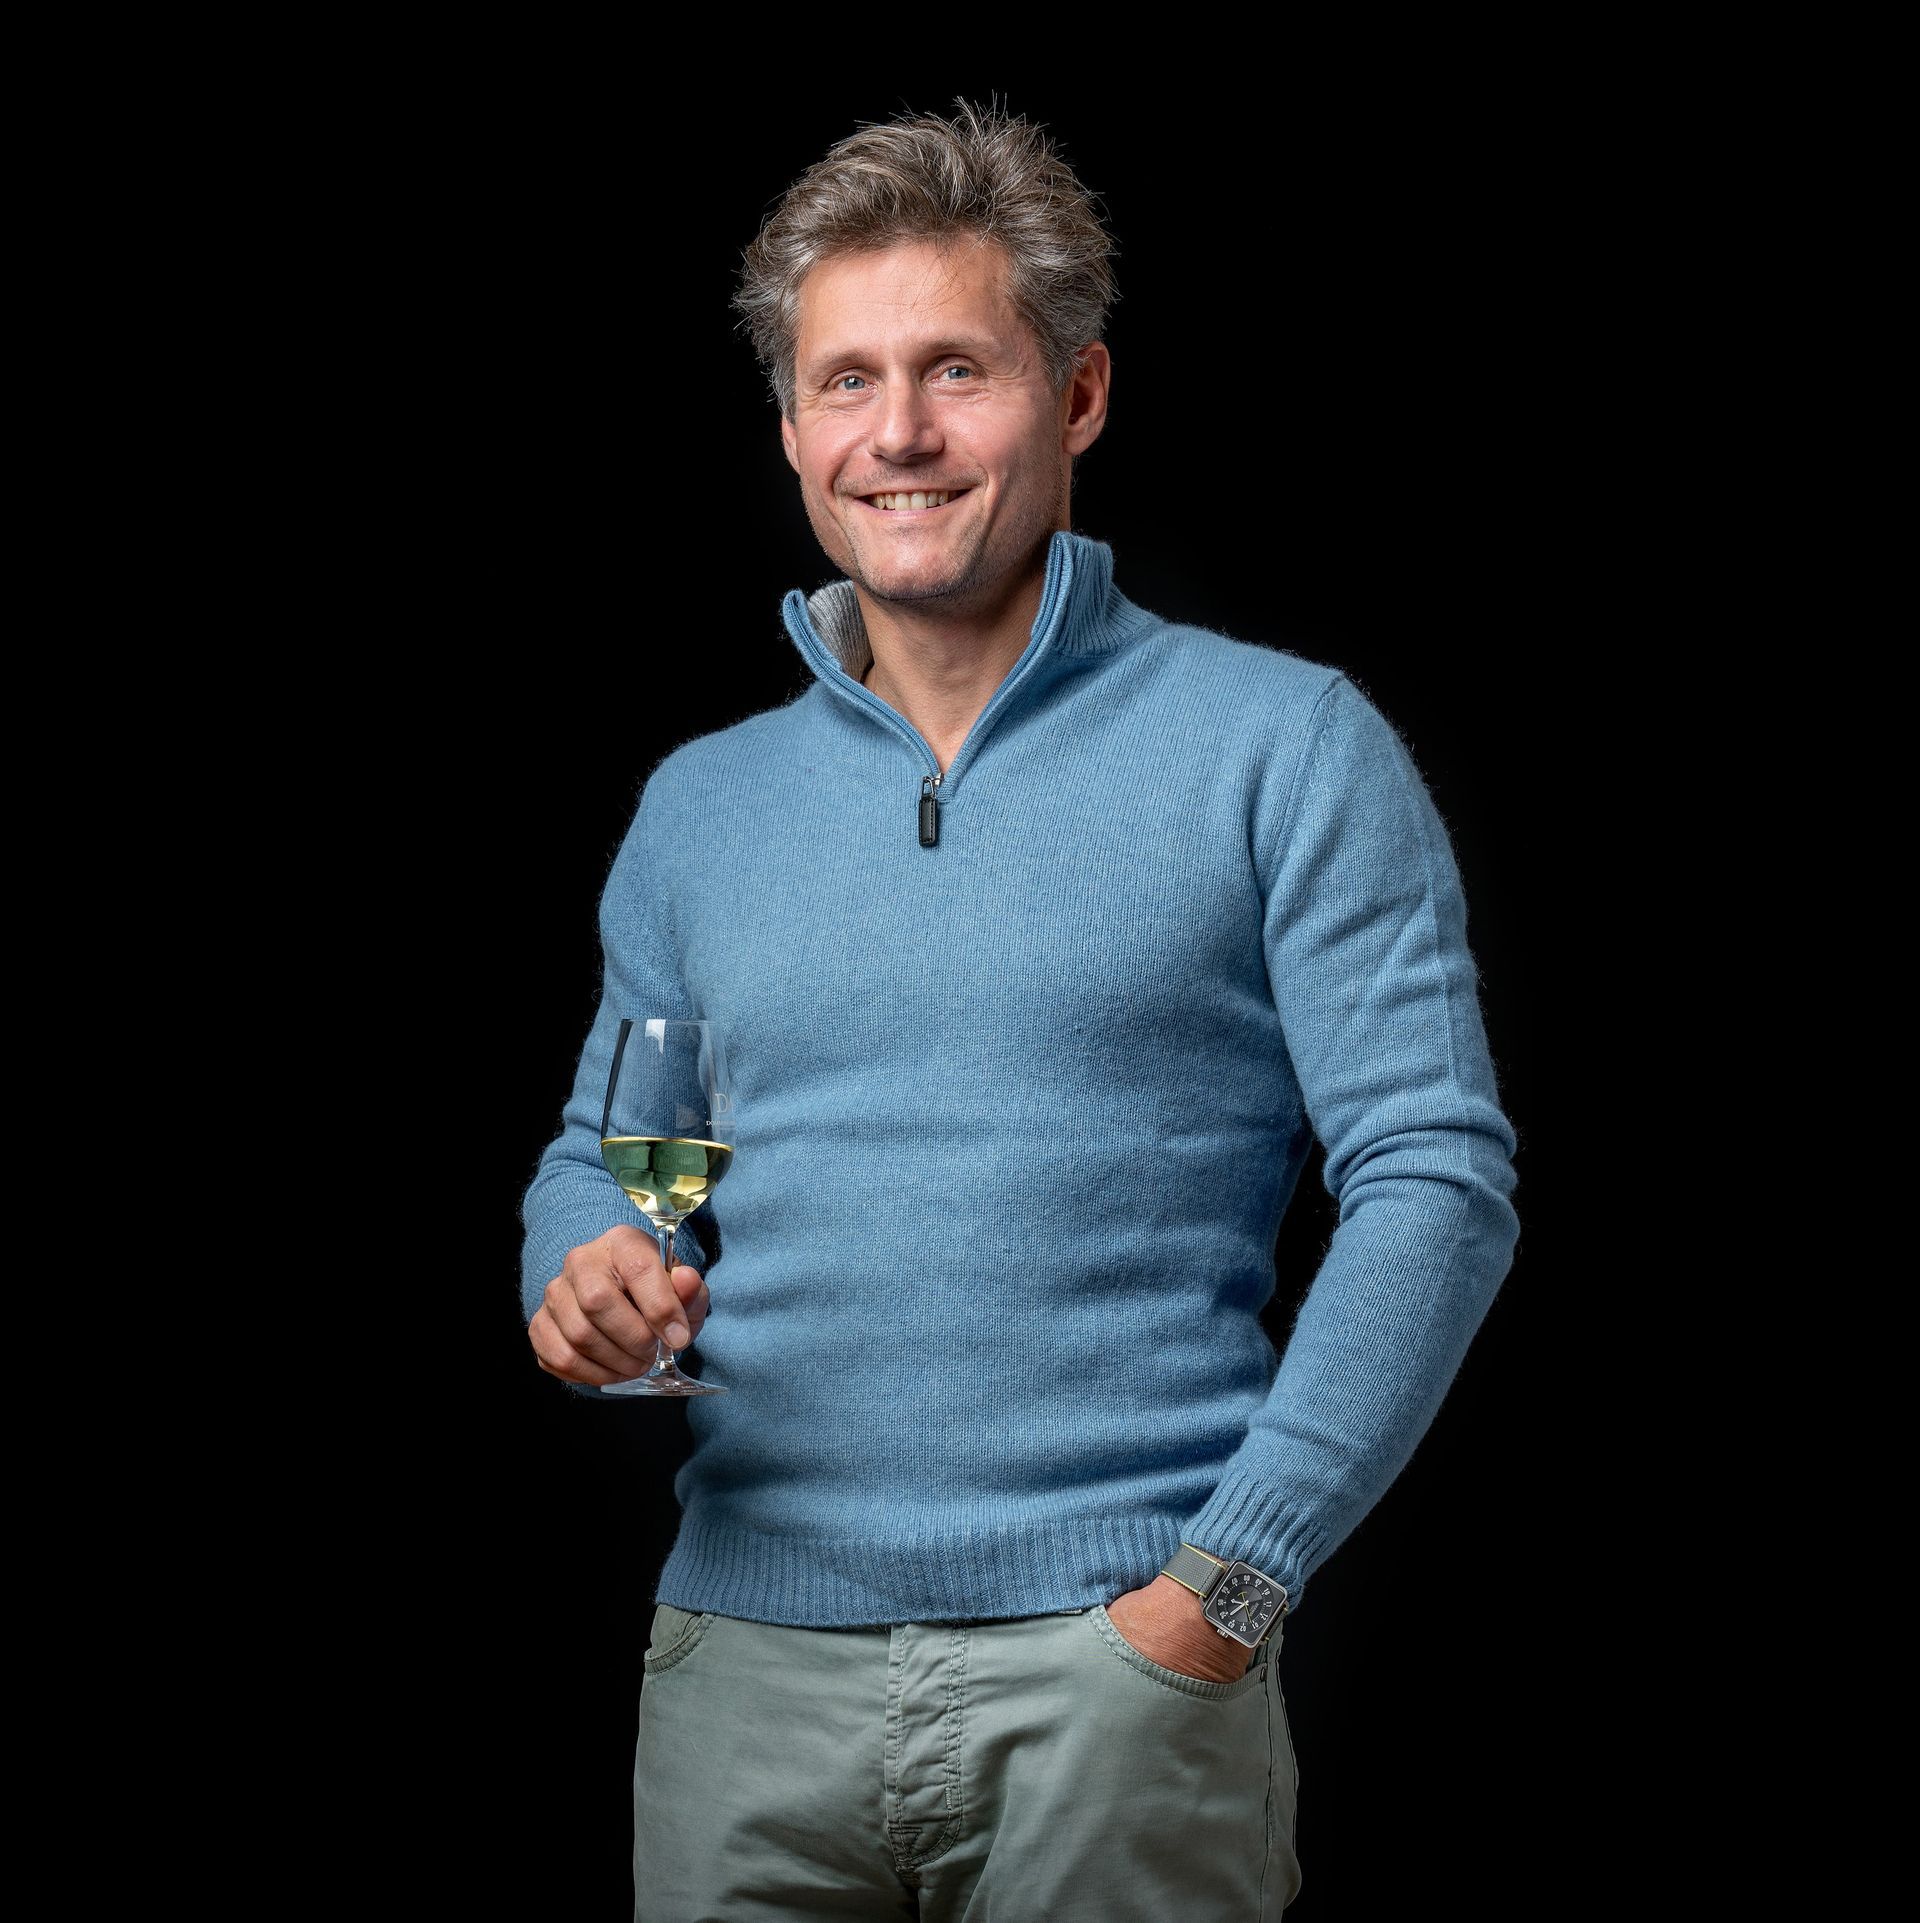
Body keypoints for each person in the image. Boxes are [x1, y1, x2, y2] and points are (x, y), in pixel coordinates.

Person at [520, 97, 1520, 1921]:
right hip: (742, 1676)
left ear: (1078, 396)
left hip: (1119, 1677)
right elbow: (612, 1160)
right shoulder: (700, 807)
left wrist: (1227, 1589)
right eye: (846, 380)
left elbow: (1435, 1179)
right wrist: (582, 1266)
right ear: (792, 426)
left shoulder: (1283, 748)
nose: (897, 433)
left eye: (957, 370)